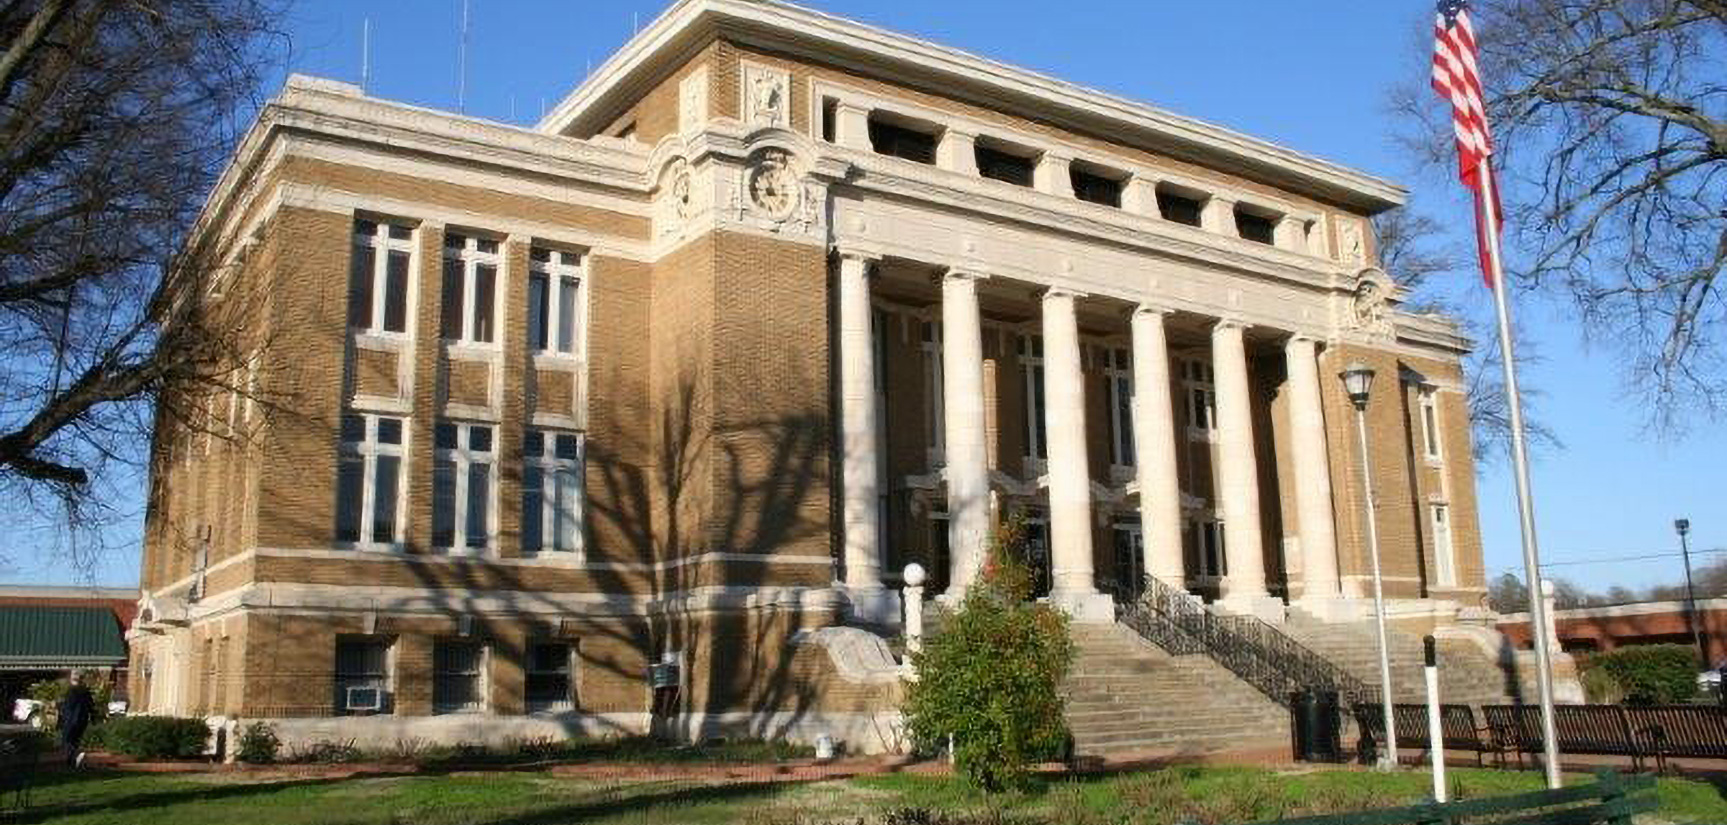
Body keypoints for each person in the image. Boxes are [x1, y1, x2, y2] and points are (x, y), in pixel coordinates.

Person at [57, 672, 96, 768]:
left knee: (67, 740)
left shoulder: (72, 692)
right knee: (75, 740)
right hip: (82, 720)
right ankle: (72, 760)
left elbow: (68, 707)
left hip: (71, 720)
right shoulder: (86, 692)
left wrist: (61, 712)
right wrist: (93, 718)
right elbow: (91, 707)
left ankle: (74, 757)